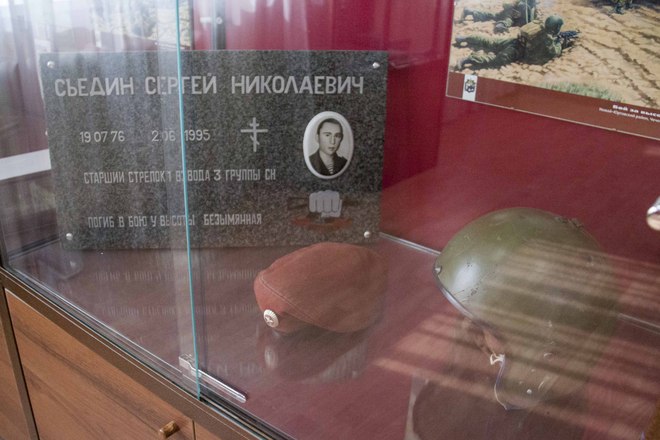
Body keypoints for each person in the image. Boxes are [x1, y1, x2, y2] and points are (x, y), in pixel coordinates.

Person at [454, 15, 567, 70]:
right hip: (516, 51)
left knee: (490, 41)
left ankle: (465, 38)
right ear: (556, 28)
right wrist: (560, 42)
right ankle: (468, 59)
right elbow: (555, 52)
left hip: (515, 41)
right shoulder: (549, 42)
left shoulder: (540, 27)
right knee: (495, 61)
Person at [460, 0, 537, 33]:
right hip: (514, 10)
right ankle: (501, 25)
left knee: (494, 16)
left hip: (515, 9)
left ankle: (470, 11)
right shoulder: (523, 5)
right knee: (508, 19)